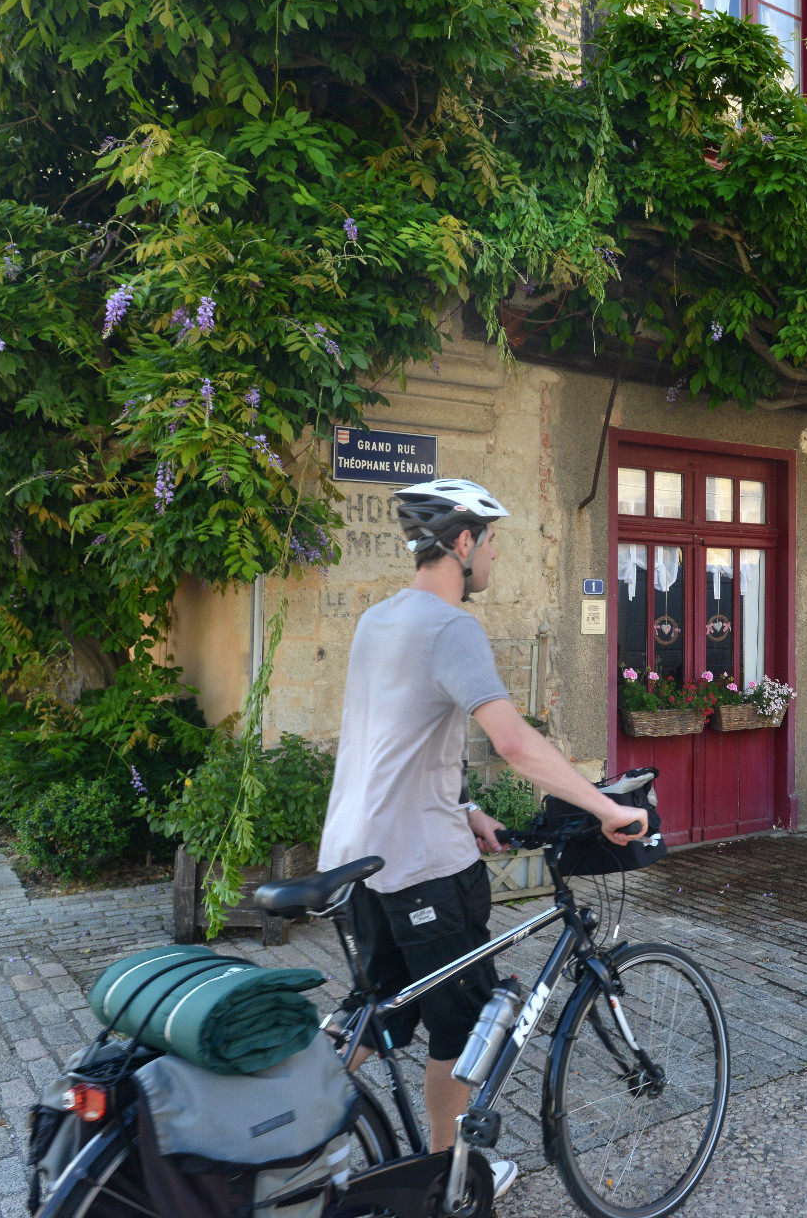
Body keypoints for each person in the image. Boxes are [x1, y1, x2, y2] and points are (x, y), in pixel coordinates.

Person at [317, 478, 648, 1191]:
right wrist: (603, 807)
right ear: (463, 544)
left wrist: (464, 806)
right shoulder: (451, 627)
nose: (496, 555)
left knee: (377, 1012)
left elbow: (394, 739)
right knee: (461, 1027)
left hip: (356, 856)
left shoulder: (379, 619)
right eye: (492, 541)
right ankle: (449, 1175)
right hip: (420, 864)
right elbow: (514, 744)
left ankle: (290, 1131)